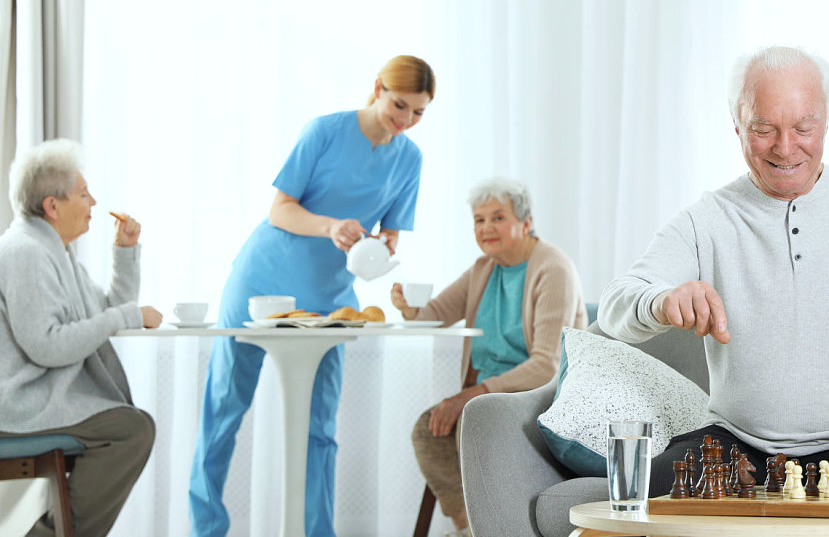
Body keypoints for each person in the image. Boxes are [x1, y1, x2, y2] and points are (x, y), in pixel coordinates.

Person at [598, 46, 829, 498]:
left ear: (827, 123)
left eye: (803, 127)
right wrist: (660, 301)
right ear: (736, 124)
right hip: (739, 447)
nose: (785, 147)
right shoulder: (706, 219)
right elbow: (616, 308)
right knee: (647, 490)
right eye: (763, 128)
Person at [189, 55, 435, 536]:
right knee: (224, 411)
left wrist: (385, 245)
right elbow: (280, 210)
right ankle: (206, 529)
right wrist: (330, 226)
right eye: (399, 105)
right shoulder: (324, 131)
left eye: (419, 113)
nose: (405, 121)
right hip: (261, 281)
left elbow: (392, 233)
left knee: (318, 427)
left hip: (328, 298)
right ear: (379, 87)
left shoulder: (410, 159)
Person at [399, 177, 586, 536]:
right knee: (429, 431)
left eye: (498, 217)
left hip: (537, 396)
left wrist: (469, 395)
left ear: (526, 222)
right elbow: (435, 313)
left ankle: (486, 526)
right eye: (479, 220)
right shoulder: (484, 268)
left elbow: (545, 366)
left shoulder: (552, 268)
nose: (486, 228)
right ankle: (471, 527)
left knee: (469, 419)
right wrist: (408, 307)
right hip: (486, 395)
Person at [0, 139, 162, 536]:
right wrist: (128, 314)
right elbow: (48, 345)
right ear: (52, 206)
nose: (93, 203)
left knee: (132, 426)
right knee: (131, 430)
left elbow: (106, 314)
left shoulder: (54, 250)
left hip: (43, 396)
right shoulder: (26, 253)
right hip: (18, 404)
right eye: (84, 194)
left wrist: (124, 252)